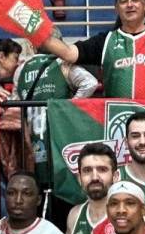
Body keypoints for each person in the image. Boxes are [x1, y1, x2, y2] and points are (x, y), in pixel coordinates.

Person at [14, 31, 99, 184]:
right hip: (59, 132)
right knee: (60, 178)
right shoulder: (62, 64)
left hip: (30, 135)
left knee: (33, 181)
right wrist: (68, 107)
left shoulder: (21, 69)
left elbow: (14, 101)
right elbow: (90, 83)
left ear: (33, 46)